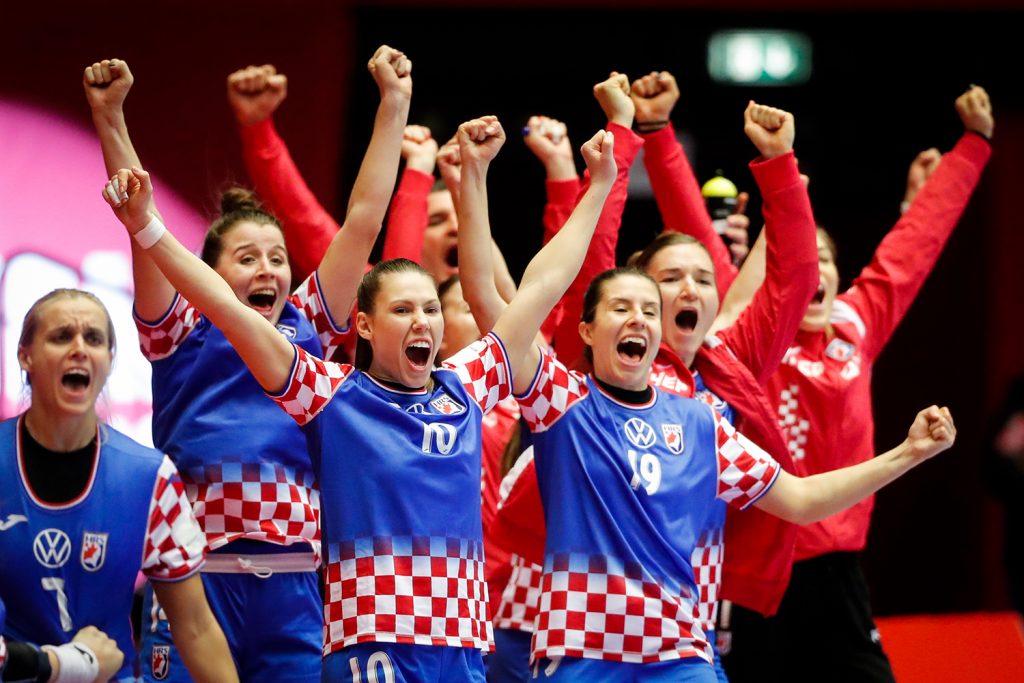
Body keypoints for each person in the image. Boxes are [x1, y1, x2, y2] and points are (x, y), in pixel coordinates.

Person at [103, 99, 616, 681]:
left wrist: (598, 185)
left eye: (430, 309)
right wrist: (145, 226)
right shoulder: (326, 393)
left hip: (464, 649)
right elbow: (223, 304)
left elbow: (544, 284)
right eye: (403, 309)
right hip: (369, 647)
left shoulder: (468, 384)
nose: (424, 321)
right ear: (365, 326)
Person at [85, 49, 410, 681]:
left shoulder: (308, 328)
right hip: (194, 586)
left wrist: (394, 104)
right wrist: (109, 116)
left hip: (296, 595)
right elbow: (138, 216)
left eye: (277, 258)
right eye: (247, 258)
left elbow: (365, 220)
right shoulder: (181, 329)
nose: (268, 269)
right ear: (206, 273)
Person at [491, 75, 818, 682]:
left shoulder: (733, 367)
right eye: (669, 279)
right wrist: (624, 138)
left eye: (702, 277)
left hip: (690, 626)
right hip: (592, 629)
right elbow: (592, 257)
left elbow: (793, 281)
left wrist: (779, 164)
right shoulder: (604, 363)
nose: (689, 288)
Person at [510, 264, 955, 682]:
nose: (638, 319)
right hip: (580, 649)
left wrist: (908, 453)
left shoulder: (701, 424)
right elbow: (505, 306)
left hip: (678, 653)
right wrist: (598, 183)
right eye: (621, 308)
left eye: (649, 311)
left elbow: (799, 500)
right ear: (586, 329)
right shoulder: (564, 403)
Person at [719, 85, 994, 682]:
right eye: (802, 261)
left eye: (826, 259)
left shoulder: (853, 322)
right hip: (754, 574)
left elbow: (910, 251)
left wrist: (972, 149)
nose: (813, 271)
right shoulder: (747, 339)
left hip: (836, 572)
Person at [0, 289, 238, 683]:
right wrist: (68, 664)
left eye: (94, 339)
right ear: (26, 356)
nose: (79, 348)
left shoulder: (149, 476)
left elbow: (195, 628)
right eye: (61, 336)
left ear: (109, 360)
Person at [226, 64, 517, 300]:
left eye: (464, 221)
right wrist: (258, 130)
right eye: (437, 220)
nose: (456, 229)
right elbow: (305, 222)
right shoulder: (365, 301)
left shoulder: (503, 334)